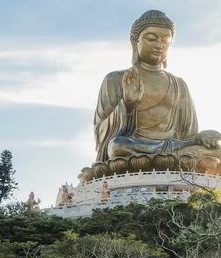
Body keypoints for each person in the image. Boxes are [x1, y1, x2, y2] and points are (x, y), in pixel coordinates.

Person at [94, 9, 221, 167]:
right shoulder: (115, 79)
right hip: (135, 147)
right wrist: (127, 104)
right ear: (135, 42)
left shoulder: (179, 85)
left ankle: (170, 160)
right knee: (117, 146)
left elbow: (189, 136)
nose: (159, 46)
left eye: (166, 40)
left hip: (176, 149)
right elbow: (101, 135)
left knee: (218, 150)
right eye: (151, 38)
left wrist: (201, 137)